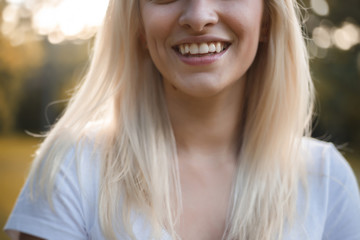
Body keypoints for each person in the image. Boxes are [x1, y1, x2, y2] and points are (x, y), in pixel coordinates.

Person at [4, 0, 360, 239]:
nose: (198, 16)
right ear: (138, 25)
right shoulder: (73, 167)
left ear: (266, 18)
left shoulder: (329, 183)